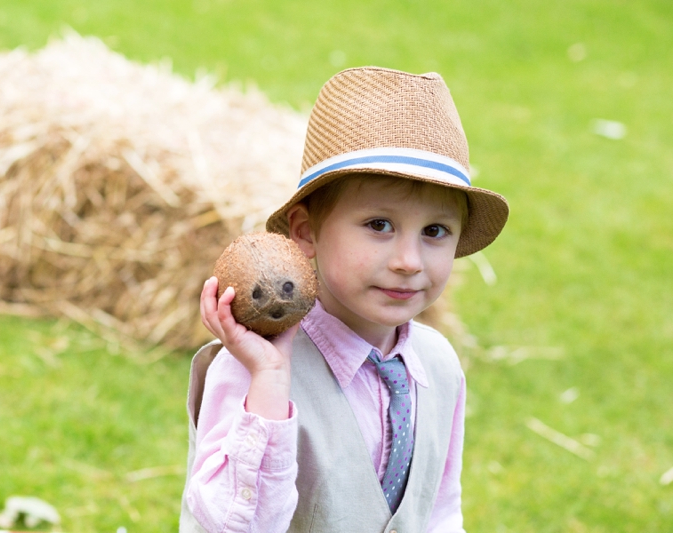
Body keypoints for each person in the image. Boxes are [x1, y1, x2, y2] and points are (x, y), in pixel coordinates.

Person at [179, 66, 509, 533]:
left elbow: (438, 509)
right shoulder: (254, 367)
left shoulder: (438, 365)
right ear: (306, 232)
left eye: (435, 231)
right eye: (379, 224)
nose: (409, 260)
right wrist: (270, 380)